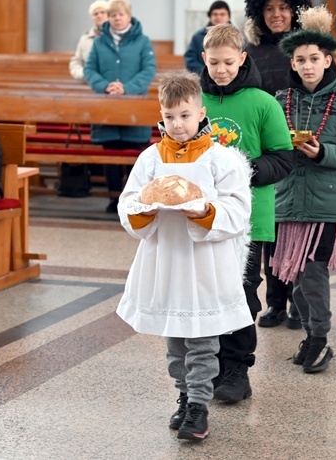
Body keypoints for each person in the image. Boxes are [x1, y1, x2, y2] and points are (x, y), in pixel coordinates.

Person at [116, 71, 253, 440]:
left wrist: (202, 211)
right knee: (175, 336)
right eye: (170, 116)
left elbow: (239, 211)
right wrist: (145, 208)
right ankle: (183, 394)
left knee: (203, 338)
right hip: (166, 260)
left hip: (206, 263)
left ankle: (199, 406)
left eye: (185, 115)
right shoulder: (150, 159)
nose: (177, 125)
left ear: (200, 112)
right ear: (161, 116)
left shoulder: (220, 158)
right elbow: (127, 203)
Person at [199, 23, 293, 401]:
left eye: (228, 62)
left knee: (241, 292)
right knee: (205, 292)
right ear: (204, 59)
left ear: (242, 58)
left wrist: (242, 170)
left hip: (248, 220)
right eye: (214, 62)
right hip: (202, 217)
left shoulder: (262, 102)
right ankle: (209, 368)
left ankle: (237, 369)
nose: (221, 69)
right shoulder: (195, 100)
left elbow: (283, 159)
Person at [272, 5, 336, 373]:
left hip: (325, 205)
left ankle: (320, 338)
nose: (308, 65)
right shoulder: (282, 101)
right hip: (288, 202)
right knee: (293, 277)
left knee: (313, 275)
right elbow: (272, 145)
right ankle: (310, 334)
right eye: (300, 60)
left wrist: (322, 151)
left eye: (314, 58)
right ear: (292, 64)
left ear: (328, 60)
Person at [244, 0, 323, 329]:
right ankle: (274, 302)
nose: (276, 15)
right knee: (268, 231)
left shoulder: (307, 48)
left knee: (294, 231)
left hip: (301, 151)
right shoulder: (251, 52)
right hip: (266, 153)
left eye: (283, 8)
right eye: (269, 9)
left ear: (295, 9)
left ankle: (296, 301)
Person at [84, 0, 156, 213]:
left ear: (129, 16)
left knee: (134, 154)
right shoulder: (99, 42)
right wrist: (105, 86)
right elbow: (90, 70)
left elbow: (148, 70)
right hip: (108, 107)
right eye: (113, 15)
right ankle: (113, 198)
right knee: (111, 152)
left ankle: (132, 198)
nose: (117, 18)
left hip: (135, 108)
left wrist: (127, 88)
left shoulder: (142, 41)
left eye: (121, 14)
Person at [184, 0, 232, 75]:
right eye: (215, 14)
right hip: (204, 79)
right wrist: (207, 73)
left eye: (222, 14)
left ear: (229, 16)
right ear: (210, 16)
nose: (218, 17)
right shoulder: (198, 37)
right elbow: (190, 60)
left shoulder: (238, 37)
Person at [69, 0, 108, 82]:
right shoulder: (86, 39)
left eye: (102, 12)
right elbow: (76, 61)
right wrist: (83, 74)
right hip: (89, 82)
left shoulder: (117, 36)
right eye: (95, 14)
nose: (99, 16)